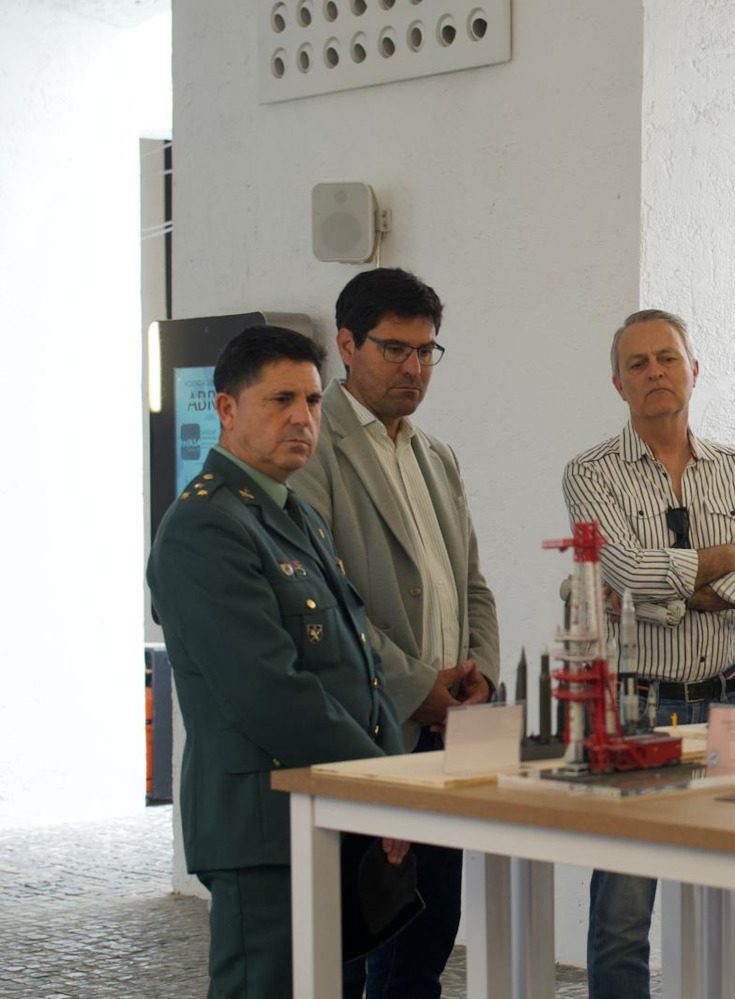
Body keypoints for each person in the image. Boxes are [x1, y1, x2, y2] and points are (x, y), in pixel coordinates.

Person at [147, 326, 407, 998]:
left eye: (315, 400)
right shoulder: (206, 526)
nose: (303, 416)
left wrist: (391, 774)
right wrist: (382, 783)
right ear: (227, 409)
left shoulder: (293, 513)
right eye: (280, 399)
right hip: (260, 826)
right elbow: (270, 690)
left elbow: (358, 664)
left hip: (319, 808)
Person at [291, 267, 499, 997]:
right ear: (347, 344)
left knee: (425, 945)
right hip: (366, 730)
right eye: (394, 349)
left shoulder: (435, 455)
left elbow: (472, 582)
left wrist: (479, 679)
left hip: (445, 735)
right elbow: (327, 600)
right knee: (348, 951)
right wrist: (418, 689)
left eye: (427, 351)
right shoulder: (315, 451)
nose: (413, 368)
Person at [563, 308, 735, 998]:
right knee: (622, 903)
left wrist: (675, 588)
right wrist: (720, 563)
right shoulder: (589, 473)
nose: (655, 373)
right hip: (638, 703)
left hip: (729, 701)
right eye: (638, 363)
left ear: (693, 370)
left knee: (723, 895)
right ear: (618, 383)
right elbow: (623, 571)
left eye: (667, 358)